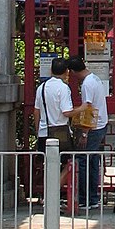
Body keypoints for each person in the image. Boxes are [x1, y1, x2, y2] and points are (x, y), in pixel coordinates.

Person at [68, 54, 109, 211]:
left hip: (93, 127)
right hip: (101, 124)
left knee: (83, 161)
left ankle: (85, 198)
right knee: (92, 161)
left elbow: (88, 108)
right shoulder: (95, 79)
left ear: (73, 71)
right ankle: (93, 197)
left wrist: (84, 132)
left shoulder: (86, 84)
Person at [33, 56, 74, 202]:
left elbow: (36, 111)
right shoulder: (63, 88)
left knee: (49, 165)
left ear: (51, 70)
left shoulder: (42, 87)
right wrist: (81, 109)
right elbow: (66, 112)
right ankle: (52, 193)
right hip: (60, 133)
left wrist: (38, 130)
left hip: (44, 132)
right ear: (66, 71)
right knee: (69, 163)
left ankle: (47, 194)